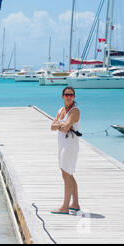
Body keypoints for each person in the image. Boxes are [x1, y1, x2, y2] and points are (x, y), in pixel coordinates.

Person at [50, 86, 81, 214]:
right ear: (62, 96)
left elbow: (66, 127)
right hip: (62, 144)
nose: (69, 97)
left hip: (70, 145)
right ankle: (75, 204)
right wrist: (61, 125)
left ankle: (65, 207)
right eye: (67, 94)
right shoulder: (60, 110)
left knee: (66, 174)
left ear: (74, 97)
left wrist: (60, 125)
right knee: (68, 173)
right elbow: (52, 127)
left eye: (71, 95)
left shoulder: (75, 111)